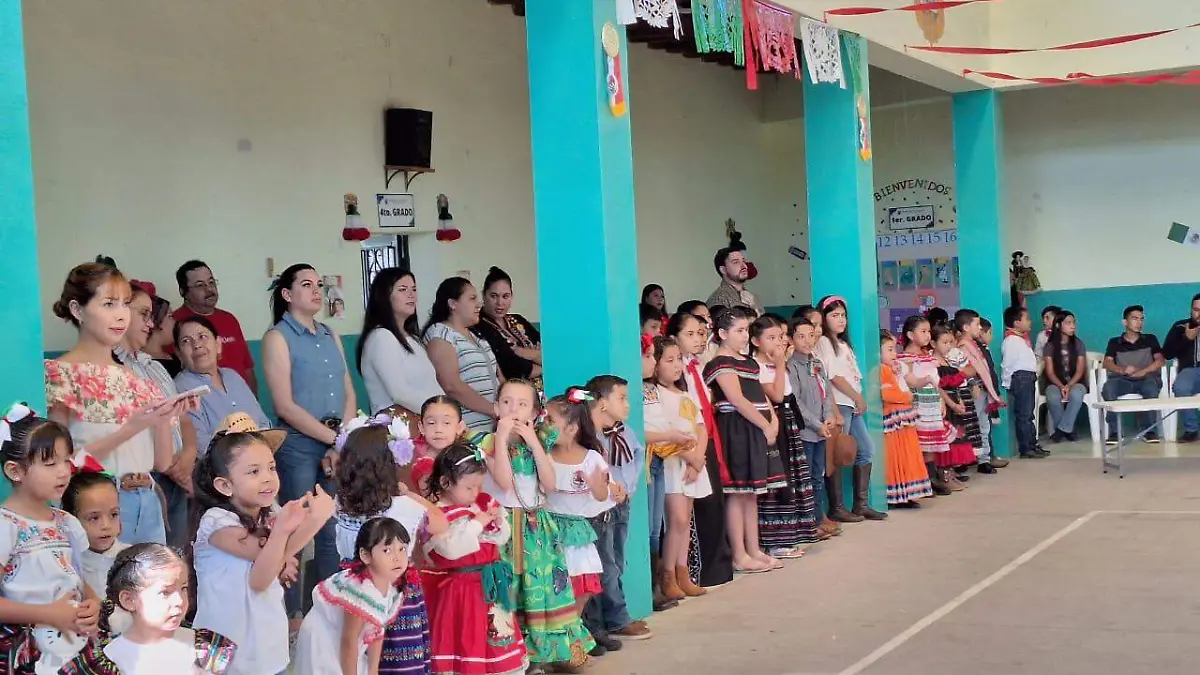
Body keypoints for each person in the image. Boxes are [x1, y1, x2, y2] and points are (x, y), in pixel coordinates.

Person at [46, 262, 191, 546]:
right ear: (77, 310)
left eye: (124, 304)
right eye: (109, 303)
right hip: (96, 508)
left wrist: (164, 418)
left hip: (148, 501)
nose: (120, 315)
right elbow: (60, 466)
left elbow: (161, 462)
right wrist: (129, 429)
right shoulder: (61, 373)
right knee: (102, 590)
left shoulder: (135, 377)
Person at [192, 419, 335, 675]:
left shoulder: (271, 514)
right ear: (224, 485)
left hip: (266, 645)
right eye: (254, 472)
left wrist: (294, 531)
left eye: (271, 468)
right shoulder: (215, 520)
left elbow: (274, 557)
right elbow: (264, 566)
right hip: (219, 643)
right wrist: (311, 523)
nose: (268, 478)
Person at [471, 380, 594, 672]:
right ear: (495, 408)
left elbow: (550, 484)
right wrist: (500, 439)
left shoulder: (539, 441)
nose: (513, 409)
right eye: (506, 402)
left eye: (522, 404)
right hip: (503, 527)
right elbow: (503, 480)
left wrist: (534, 443)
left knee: (540, 588)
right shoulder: (484, 443)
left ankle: (545, 654)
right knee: (509, 589)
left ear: (534, 412)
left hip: (537, 529)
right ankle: (515, 654)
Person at [262, 263, 355, 617]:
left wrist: (340, 442)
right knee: (294, 533)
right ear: (287, 295)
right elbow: (285, 405)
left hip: (334, 442)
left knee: (331, 530)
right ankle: (291, 617)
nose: (317, 291)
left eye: (319, 284)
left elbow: (348, 392)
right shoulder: (277, 337)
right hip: (299, 445)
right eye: (306, 285)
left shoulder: (330, 334)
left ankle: (328, 611)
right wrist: (333, 438)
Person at [334, 416, 449, 674]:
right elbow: (440, 524)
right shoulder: (404, 506)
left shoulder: (340, 502)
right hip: (395, 594)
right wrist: (409, 494)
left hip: (350, 591)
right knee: (398, 661)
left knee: (354, 653)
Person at [0, 406, 99, 672]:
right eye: (50, 463)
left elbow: (76, 577)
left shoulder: (67, 522)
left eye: (67, 460)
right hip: (30, 653)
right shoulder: (5, 526)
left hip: (74, 645)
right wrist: (49, 614)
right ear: (15, 470)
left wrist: (93, 602)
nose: (64, 471)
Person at [421, 442, 529, 675]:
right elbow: (450, 550)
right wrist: (477, 524)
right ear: (445, 483)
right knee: (467, 641)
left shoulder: (477, 506)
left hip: (490, 587)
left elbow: (500, 539)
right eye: (469, 487)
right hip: (462, 594)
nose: (476, 493)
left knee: (496, 637)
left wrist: (499, 524)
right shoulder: (438, 515)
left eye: (479, 486)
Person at [61, 543, 237, 675]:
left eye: (183, 589)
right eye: (164, 593)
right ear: (129, 600)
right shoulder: (112, 657)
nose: (179, 601)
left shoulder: (203, 646)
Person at [116, 283, 198, 550]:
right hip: (145, 480)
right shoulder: (113, 369)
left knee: (174, 558)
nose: (150, 324)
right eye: (143, 314)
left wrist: (186, 458)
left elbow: (183, 420)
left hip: (177, 475)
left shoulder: (155, 369)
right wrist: (174, 467)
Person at [704, 306, 786, 574]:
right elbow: (737, 399)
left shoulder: (749, 362)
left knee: (752, 495)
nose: (743, 335)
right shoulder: (720, 363)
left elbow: (760, 395)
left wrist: (772, 420)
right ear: (722, 333)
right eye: (738, 331)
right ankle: (738, 554)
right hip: (737, 429)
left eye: (745, 330)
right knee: (737, 494)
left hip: (757, 427)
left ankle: (754, 549)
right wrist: (764, 424)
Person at [583, 374, 652, 643]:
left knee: (617, 561)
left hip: (623, 504)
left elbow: (635, 458)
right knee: (605, 565)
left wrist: (630, 490)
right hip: (602, 507)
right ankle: (607, 621)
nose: (627, 404)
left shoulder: (625, 431)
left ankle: (614, 617)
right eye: (621, 398)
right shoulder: (591, 436)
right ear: (600, 402)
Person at [667, 311, 733, 588]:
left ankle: (716, 568)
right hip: (684, 450)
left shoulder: (696, 366)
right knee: (687, 517)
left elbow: (702, 415)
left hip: (704, 443)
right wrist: (695, 456)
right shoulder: (675, 373)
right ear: (674, 338)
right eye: (689, 334)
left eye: (701, 333)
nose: (698, 339)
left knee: (714, 504)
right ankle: (690, 571)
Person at [644, 337, 713, 601]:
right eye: (668, 360)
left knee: (686, 522)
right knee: (677, 520)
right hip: (673, 463)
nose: (676, 366)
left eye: (678, 360)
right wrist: (690, 457)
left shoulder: (685, 395)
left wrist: (698, 458)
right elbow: (663, 434)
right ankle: (667, 573)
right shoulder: (653, 395)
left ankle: (683, 572)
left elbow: (700, 427)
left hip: (692, 464)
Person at [294, 518, 410, 675]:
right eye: (387, 551)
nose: (397, 557)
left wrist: (373, 670)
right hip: (324, 639)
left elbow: (377, 629)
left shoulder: (392, 585)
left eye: (402, 549)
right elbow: (349, 641)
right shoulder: (359, 592)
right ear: (366, 555)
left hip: (346, 640)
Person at [543, 392, 615, 639]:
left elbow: (602, 495)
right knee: (555, 587)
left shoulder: (592, 458)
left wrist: (595, 484)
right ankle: (557, 639)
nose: (544, 425)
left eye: (550, 420)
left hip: (577, 531)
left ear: (572, 428)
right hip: (549, 530)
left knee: (582, 585)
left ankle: (572, 635)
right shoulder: (543, 457)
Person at [750, 315, 817, 559]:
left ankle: (793, 534)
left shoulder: (779, 364)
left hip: (789, 422)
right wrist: (779, 364)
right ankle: (774, 540)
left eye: (780, 337)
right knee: (777, 482)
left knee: (794, 479)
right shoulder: (756, 367)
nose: (777, 343)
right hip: (773, 423)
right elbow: (777, 395)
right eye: (770, 338)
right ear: (756, 341)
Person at [814, 296, 886, 521]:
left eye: (843, 315)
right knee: (836, 454)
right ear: (824, 319)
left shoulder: (843, 343)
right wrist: (857, 397)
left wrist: (856, 398)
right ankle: (836, 507)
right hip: (840, 403)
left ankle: (861, 504)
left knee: (865, 450)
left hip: (850, 404)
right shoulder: (825, 342)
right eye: (834, 315)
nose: (841, 320)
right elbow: (833, 376)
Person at [174, 316, 271, 452]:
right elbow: (201, 446)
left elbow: (263, 423)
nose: (196, 345)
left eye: (202, 336)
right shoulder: (182, 388)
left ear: (218, 344)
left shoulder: (232, 376)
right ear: (179, 354)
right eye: (186, 341)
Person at [358, 268, 446, 417]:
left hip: (430, 422)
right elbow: (401, 393)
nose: (411, 295)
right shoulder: (381, 337)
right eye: (402, 289)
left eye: (414, 289)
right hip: (399, 431)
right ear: (384, 296)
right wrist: (442, 413)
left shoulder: (413, 338)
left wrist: (450, 409)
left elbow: (432, 386)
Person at [786, 314, 844, 536]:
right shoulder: (792, 367)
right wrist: (816, 423)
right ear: (791, 339)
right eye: (801, 336)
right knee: (806, 477)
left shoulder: (816, 362)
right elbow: (796, 402)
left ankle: (818, 517)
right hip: (806, 432)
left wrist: (828, 415)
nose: (807, 341)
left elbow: (826, 393)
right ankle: (808, 522)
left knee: (818, 475)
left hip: (822, 430)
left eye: (810, 335)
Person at [424, 278, 503, 434]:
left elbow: (498, 376)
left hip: (494, 425)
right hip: (469, 428)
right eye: (472, 298)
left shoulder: (476, 336)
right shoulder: (440, 335)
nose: (479, 304)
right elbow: (451, 385)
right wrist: (493, 410)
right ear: (453, 304)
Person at [171, 260, 258, 394]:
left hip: (241, 405)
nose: (209, 289)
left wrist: (253, 401)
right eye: (200, 285)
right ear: (183, 291)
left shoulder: (229, 319)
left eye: (211, 282)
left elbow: (247, 367)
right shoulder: (175, 322)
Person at [897, 316, 955, 494]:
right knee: (919, 445)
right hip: (918, 406)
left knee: (930, 445)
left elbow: (935, 383)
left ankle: (931, 478)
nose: (928, 335)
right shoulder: (905, 358)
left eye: (928, 331)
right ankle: (920, 479)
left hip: (932, 405)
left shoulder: (928, 357)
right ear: (910, 334)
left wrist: (941, 401)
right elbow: (909, 383)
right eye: (923, 331)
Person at [62, 471, 130, 616]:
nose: (106, 525)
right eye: (94, 518)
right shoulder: (67, 564)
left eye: (113, 514)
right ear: (71, 520)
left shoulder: (133, 559)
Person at [879, 331, 934, 507]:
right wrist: (907, 397)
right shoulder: (881, 370)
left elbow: (913, 381)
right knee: (896, 455)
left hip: (905, 418)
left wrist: (926, 380)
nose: (894, 353)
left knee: (909, 454)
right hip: (894, 418)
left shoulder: (899, 366)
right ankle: (898, 494)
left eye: (894, 349)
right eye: (889, 349)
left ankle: (910, 493)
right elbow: (886, 393)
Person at [1103, 305, 1166, 444]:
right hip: (1123, 380)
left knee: (1150, 388)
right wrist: (1122, 369)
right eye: (1135, 319)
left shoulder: (1150, 339)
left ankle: (1149, 431)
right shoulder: (1114, 342)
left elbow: (1160, 360)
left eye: (1142, 319)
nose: (1139, 322)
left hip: (1146, 378)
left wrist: (1143, 371)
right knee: (1108, 388)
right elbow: (1107, 363)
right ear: (1125, 322)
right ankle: (1115, 432)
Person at [473, 267, 543, 386]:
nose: (500, 303)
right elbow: (514, 369)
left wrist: (525, 353)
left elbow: (552, 354)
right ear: (484, 295)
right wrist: (541, 360)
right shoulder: (479, 326)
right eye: (494, 296)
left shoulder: (518, 319)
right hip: (515, 397)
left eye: (505, 296)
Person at [933, 324, 982, 482]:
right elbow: (941, 385)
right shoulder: (933, 362)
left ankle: (951, 472)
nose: (948, 346)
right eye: (944, 343)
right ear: (933, 344)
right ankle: (944, 475)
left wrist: (959, 401)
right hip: (944, 403)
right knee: (946, 440)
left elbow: (958, 383)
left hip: (955, 400)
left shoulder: (948, 360)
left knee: (956, 436)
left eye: (950, 342)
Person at [1002, 306, 1046, 459]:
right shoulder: (1011, 340)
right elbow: (1007, 364)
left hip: (1028, 378)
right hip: (1021, 379)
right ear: (1016, 323)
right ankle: (1026, 448)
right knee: (1024, 415)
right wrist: (1007, 383)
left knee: (1029, 415)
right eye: (1026, 318)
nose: (1030, 321)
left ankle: (1032, 444)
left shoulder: (1021, 339)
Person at [1041, 310, 1088, 443]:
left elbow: (1080, 370)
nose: (1073, 326)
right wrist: (1062, 386)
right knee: (1052, 396)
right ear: (1058, 325)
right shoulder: (1049, 346)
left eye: (1073, 322)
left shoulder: (1079, 344)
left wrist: (1069, 385)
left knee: (1077, 395)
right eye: (1068, 323)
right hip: (1054, 383)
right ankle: (1069, 430)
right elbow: (1050, 372)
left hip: (1076, 381)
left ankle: (1061, 430)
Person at [1164, 293, 1200, 443]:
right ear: (1191, 310)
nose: (1199, 314)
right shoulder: (1180, 327)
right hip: (1191, 370)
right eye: (1196, 309)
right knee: (1181, 387)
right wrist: (1186, 339)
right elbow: (1167, 353)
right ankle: (1191, 430)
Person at [706, 248, 763, 316]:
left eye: (743, 261)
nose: (744, 266)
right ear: (723, 270)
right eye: (736, 262)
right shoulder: (719, 299)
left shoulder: (750, 296)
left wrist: (754, 307)